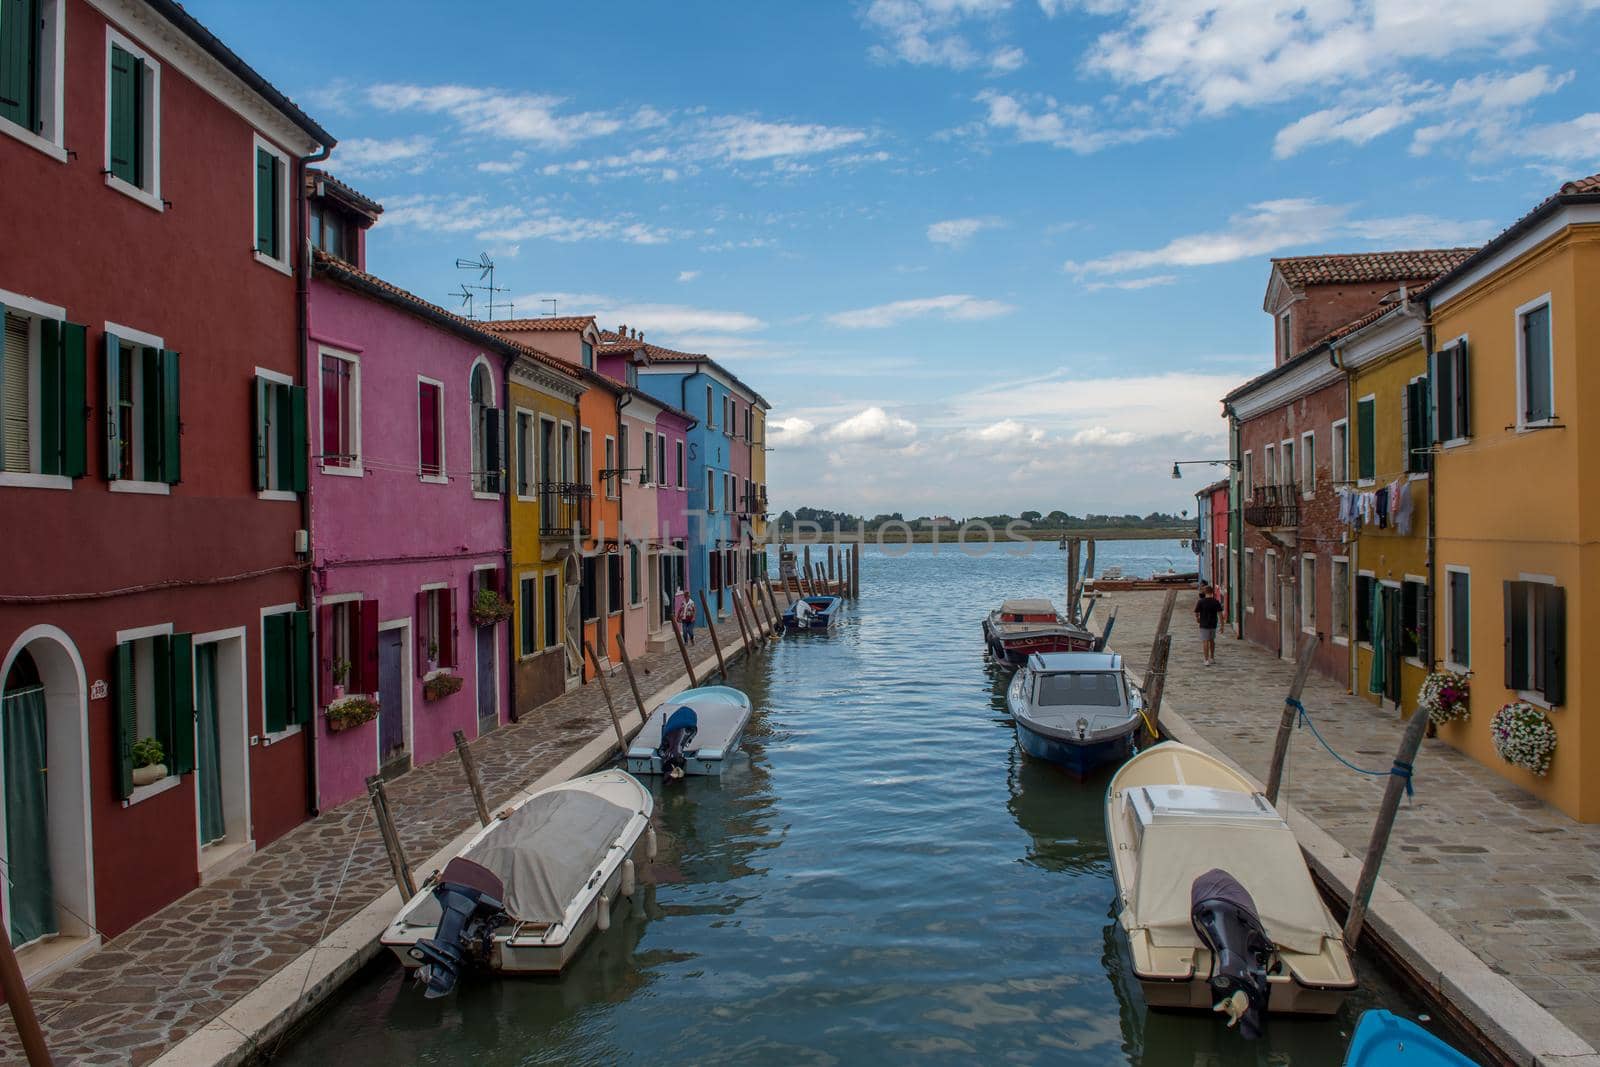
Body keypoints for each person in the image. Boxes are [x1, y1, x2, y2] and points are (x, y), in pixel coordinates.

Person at [1194, 584, 1224, 666]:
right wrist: (1222, 626)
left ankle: (1206, 660)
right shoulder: (1216, 602)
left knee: (1205, 641)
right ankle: (1212, 657)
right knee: (1212, 641)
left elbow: (1196, 612)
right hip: (1213, 624)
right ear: (1212, 592)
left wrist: (1197, 619)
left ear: (1205, 592)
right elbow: (1220, 614)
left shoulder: (1201, 602)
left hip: (1204, 624)